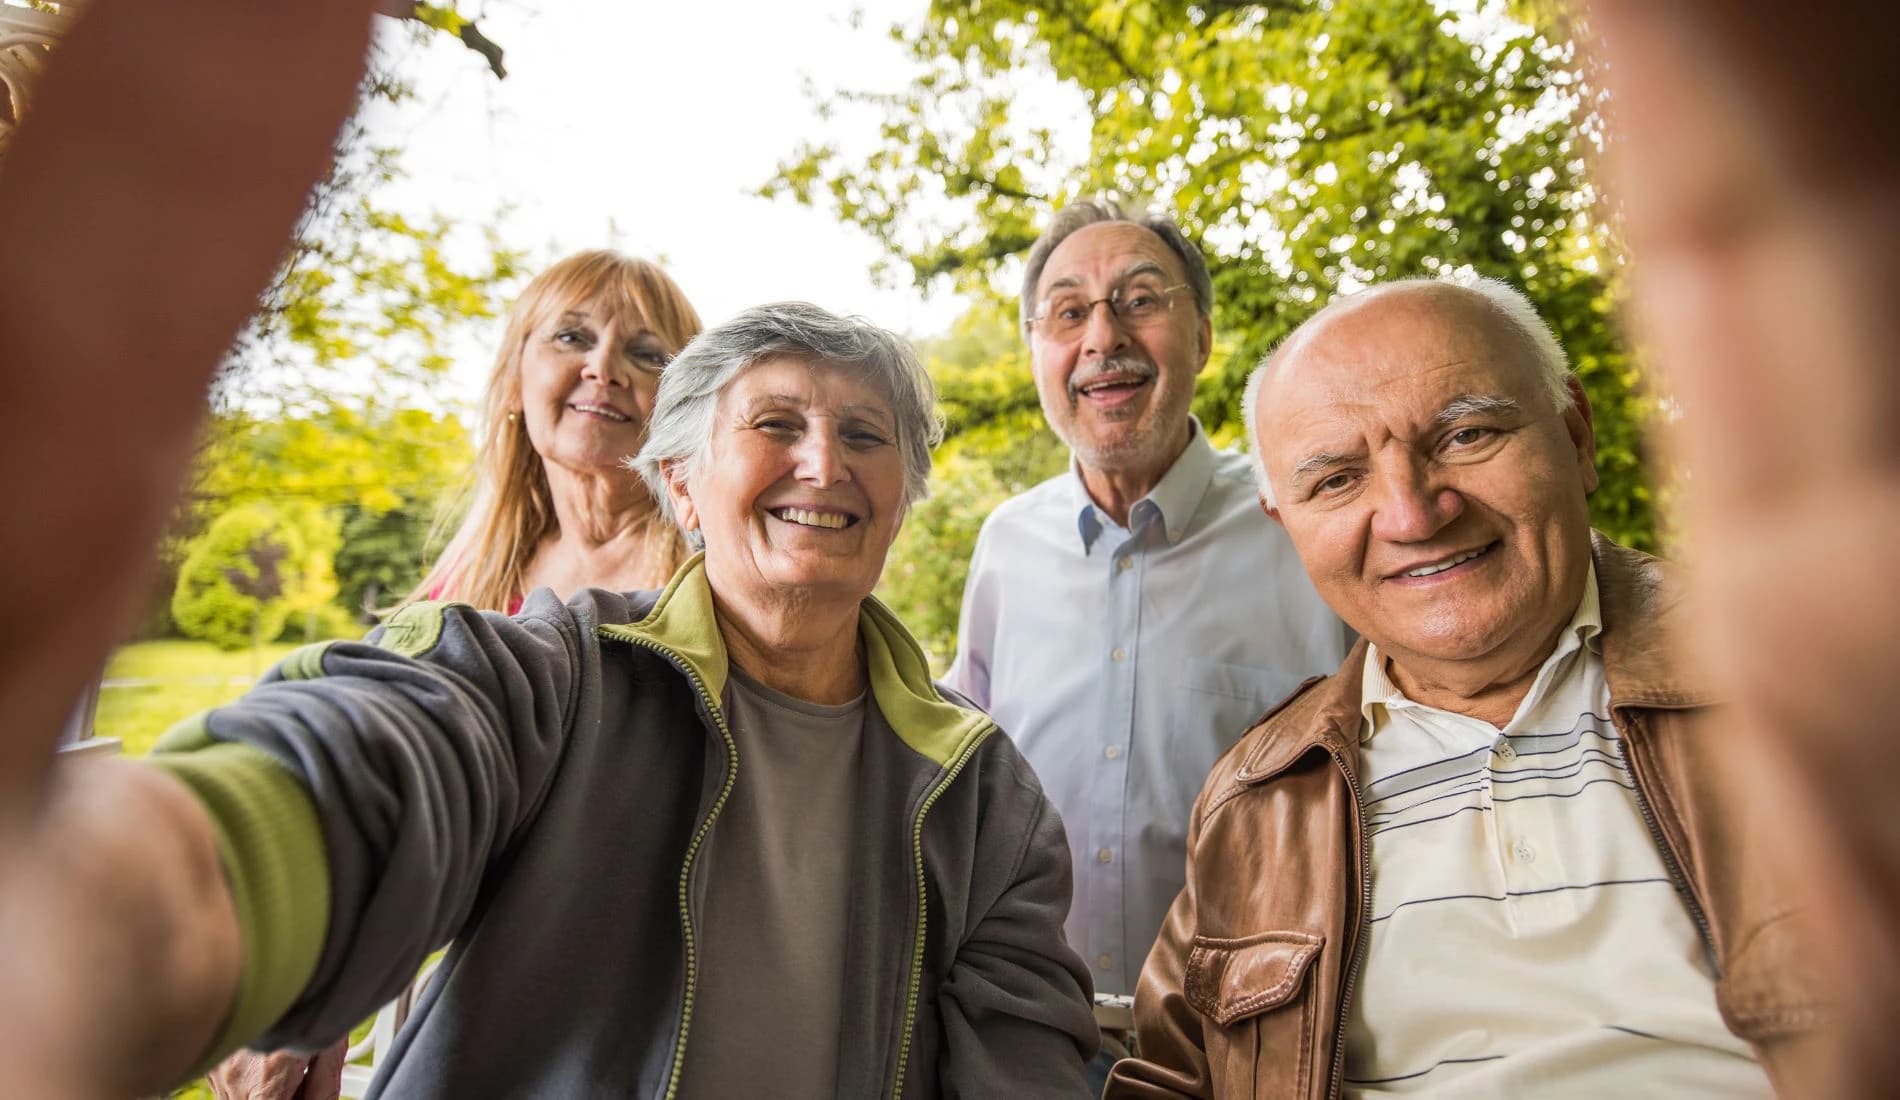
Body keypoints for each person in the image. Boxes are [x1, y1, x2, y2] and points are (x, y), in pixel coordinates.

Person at [1107, 276, 1829, 1097]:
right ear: (1287, 527)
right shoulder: (1256, 799)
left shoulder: (1818, 677)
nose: (1414, 514)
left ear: (1577, 435)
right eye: (1337, 480)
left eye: (1465, 436)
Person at [205, 247, 701, 1099]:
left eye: (646, 353)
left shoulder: (709, 580)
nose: (603, 368)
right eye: (571, 335)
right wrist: (309, 984)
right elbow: (380, 775)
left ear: (684, 403)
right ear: (514, 380)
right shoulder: (466, 582)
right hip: (457, 1008)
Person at [944, 199, 1349, 1063]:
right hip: (1029, 1042)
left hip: (1249, 1046)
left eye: (1139, 300)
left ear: (1201, 337)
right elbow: (960, 773)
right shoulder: (1006, 546)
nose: (1102, 337)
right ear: (1036, 352)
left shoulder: (1303, 526)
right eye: (1068, 312)